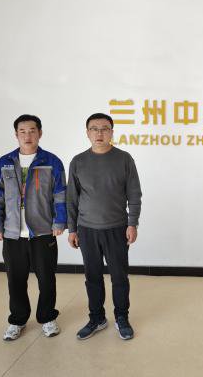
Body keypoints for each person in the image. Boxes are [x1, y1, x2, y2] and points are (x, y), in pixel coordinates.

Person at [0, 114, 67, 341]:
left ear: (40, 133)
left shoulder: (52, 161)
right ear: (16, 134)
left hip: (43, 232)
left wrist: (60, 222)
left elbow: (61, 195)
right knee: (15, 280)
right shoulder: (4, 162)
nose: (27, 135)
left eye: (32, 131)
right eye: (22, 131)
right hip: (13, 233)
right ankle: (18, 320)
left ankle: (47, 317)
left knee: (46, 279)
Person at [67, 112, 142, 340]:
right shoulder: (78, 161)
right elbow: (72, 199)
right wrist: (72, 229)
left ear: (112, 132)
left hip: (117, 228)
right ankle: (97, 318)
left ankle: (122, 317)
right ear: (87, 133)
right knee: (93, 277)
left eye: (104, 129)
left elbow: (134, 194)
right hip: (87, 229)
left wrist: (132, 223)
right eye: (94, 129)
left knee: (119, 277)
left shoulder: (124, 159)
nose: (99, 133)